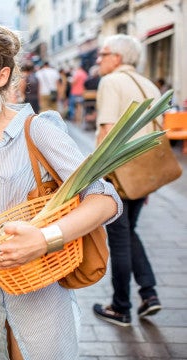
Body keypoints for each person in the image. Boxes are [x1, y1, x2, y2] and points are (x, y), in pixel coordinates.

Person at [0, 23, 122, 359]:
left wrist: (45, 238)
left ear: (1, 75)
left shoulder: (38, 130)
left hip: (38, 297)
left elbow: (105, 198)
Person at [92, 34, 163, 327]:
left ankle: (120, 307)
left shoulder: (111, 82)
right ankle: (149, 294)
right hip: (142, 173)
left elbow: (107, 131)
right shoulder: (149, 84)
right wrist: (149, 182)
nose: (99, 59)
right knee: (128, 232)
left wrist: (94, 177)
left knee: (119, 239)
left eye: (103, 53)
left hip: (117, 173)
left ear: (117, 58)